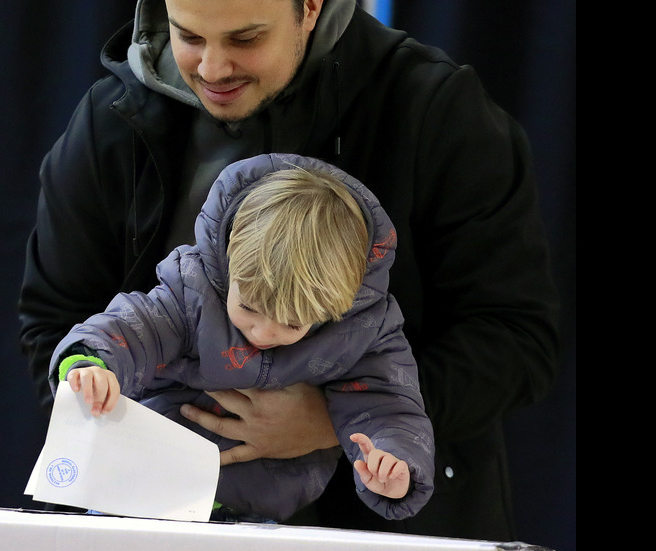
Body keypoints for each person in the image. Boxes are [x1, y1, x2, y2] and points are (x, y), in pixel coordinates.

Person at [19, 0, 559, 540]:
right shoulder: (112, 118)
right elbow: (55, 325)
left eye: (245, 39)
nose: (212, 68)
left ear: (310, 9)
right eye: (187, 36)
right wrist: (126, 428)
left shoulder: (432, 107)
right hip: (153, 512)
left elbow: (515, 338)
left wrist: (335, 422)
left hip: (381, 526)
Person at [51, 153, 434, 522]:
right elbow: (132, 328)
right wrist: (90, 364)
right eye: (249, 307)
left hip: (256, 511)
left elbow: (389, 406)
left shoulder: (364, 331)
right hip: (144, 488)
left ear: (337, 305)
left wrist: (393, 461)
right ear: (228, 259)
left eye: (293, 322)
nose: (264, 332)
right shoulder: (192, 294)